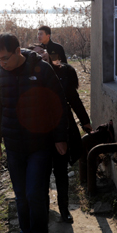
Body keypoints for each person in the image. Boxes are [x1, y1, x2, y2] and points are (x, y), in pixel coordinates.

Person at [0, 33, 69, 233]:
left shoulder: (41, 70)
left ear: (18, 51)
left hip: (39, 145)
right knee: (21, 195)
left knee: (35, 193)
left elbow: (58, 103)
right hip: (14, 145)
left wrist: (60, 137)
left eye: (5, 58)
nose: (2, 63)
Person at [31, 45, 91, 223]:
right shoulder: (28, 77)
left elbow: (74, 99)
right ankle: (44, 208)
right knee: (41, 172)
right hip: (39, 133)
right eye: (36, 52)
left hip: (62, 128)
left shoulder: (64, 73)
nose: (40, 54)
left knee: (61, 171)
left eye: (42, 51)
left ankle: (64, 209)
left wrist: (85, 122)